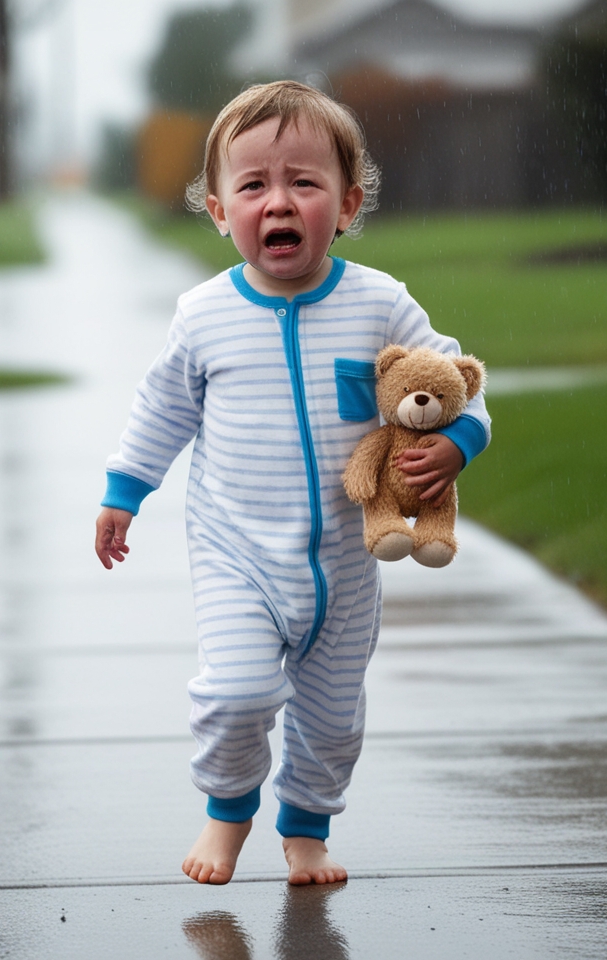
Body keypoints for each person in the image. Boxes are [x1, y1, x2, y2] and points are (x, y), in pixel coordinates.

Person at [95, 80, 490, 886]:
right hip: (239, 553)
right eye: (254, 186)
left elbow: (457, 379)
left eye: (303, 183)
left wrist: (458, 441)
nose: (279, 201)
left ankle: (306, 831)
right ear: (218, 211)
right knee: (236, 693)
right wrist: (123, 493)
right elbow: (162, 408)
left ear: (346, 205)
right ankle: (228, 811)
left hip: (348, 564)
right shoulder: (204, 316)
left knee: (332, 717)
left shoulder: (380, 303)